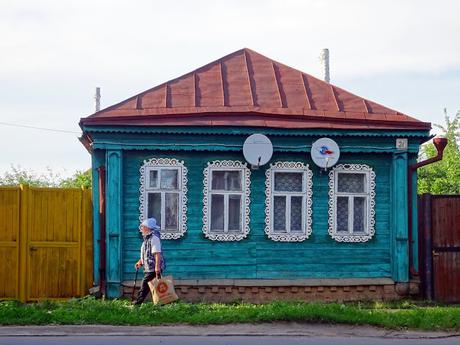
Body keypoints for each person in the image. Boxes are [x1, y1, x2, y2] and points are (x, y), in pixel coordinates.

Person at [133, 217, 165, 305]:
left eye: (143, 227)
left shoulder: (154, 238)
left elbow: (157, 253)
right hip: (148, 268)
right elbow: (146, 254)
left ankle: (137, 304)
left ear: (148, 228)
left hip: (153, 268)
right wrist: (140, 262)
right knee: (152, 287)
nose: (141, 229)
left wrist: (157, 267)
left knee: (144, 286)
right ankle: (161, 303)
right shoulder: (146, 240)